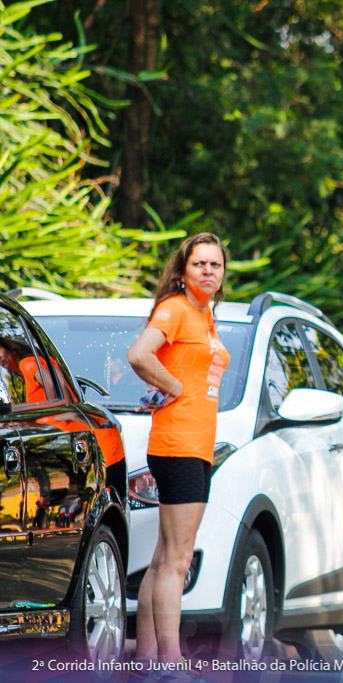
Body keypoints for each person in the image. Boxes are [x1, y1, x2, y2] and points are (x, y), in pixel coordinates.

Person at [127, 233, 230, 665]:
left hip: (192, 446)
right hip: (179, 444)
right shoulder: (175, 309)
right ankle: (171, 662)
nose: (208, 271)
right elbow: (138, 354)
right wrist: (171, 387)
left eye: (216, 265)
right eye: (199, 264)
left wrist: (172, 385)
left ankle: (150, 657)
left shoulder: (204, 317)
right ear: (182, 273)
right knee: (178, 560)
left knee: (164, 558)